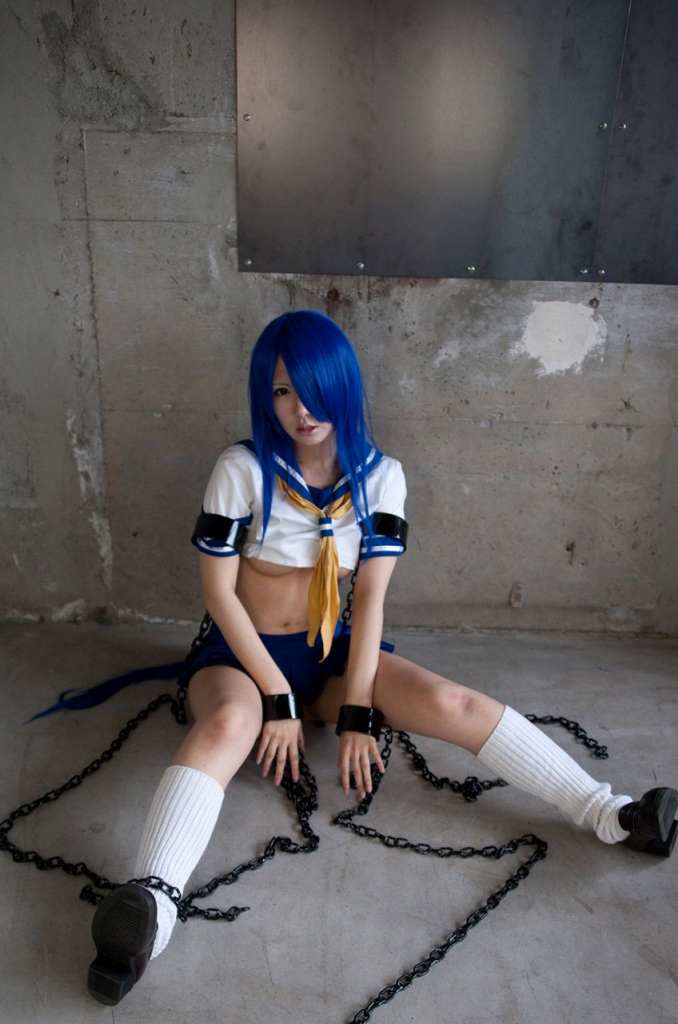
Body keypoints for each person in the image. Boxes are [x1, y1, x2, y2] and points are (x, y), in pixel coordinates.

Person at [86, 309, 678, 1006]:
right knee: (227, 726)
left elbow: (369, 599)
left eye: (313, 388)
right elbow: (218, 594)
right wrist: (276, 698)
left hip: (329, 654)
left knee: (450, 700)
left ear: (344, 384)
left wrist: (359, 710)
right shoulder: (241, 470)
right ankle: (149, 912)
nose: (301, 409)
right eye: (282, 391)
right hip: (240, 658)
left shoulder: (381, 478)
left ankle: (613, 814)